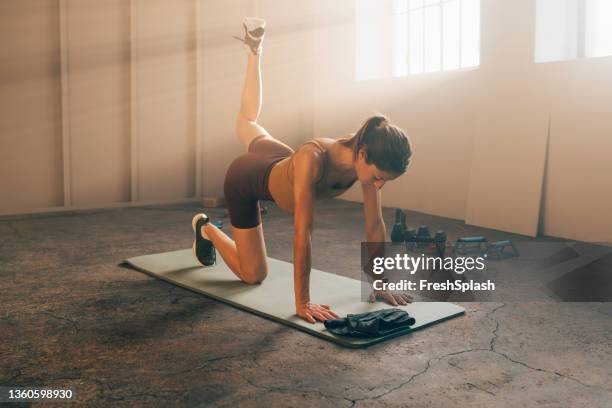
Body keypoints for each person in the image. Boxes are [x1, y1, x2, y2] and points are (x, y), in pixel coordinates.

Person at [192, 18, 413, 324]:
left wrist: (380, 283)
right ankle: (206, 229)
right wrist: (303, 301)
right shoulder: (315, 158)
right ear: (363, 155)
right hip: (247, 179)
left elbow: (375, 225)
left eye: (383, 182)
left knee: (246, 119)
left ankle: (254, 50)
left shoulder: (363, 156)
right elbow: (303, 232)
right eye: (378, 177)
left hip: (279, 158)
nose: (377, 186)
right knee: (253, 274)